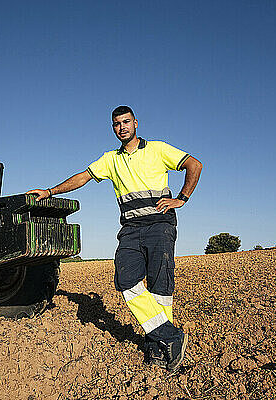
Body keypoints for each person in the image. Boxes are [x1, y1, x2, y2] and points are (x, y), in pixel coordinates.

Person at [27, 105, 202, 373]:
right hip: (131, 229)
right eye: (117, 124)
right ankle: (170, 335)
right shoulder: (110, 159)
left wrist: (182, 198)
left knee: (160, 287)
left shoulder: (157, 149)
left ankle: (158, 348)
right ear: (114, 128)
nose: (122, 127)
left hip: (159, 224)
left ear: (135, 123)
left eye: (126, 122)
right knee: (126, 280)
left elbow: (194, 164)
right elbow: (82, 177)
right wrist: (50, 191)